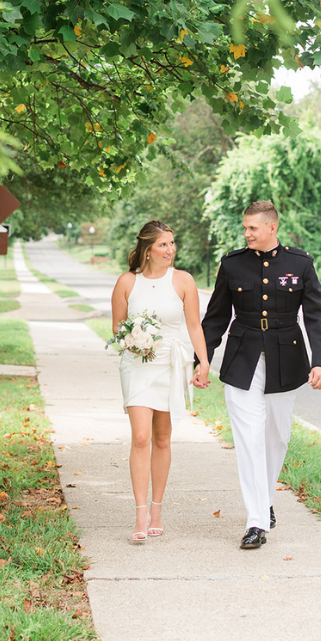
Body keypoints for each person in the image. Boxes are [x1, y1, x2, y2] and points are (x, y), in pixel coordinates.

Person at [198, 200, 321, 549]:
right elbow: (215, 317)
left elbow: (317, 315)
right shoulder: (232, 263)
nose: (247, 234)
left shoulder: (299, 263)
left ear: (271, 228)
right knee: (249, 439)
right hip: (242, 358)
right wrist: (202, 359)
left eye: (252, 228)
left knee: (276, 437)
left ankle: (265, 498)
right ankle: (256, 520)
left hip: (285, 358)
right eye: (245, 228)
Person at [110, 220, 211, 544]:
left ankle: (157, 509)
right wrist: (134, 341)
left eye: (172, 243)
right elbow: (117, 329)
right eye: (164, 245)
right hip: (137, 364)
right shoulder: (127, 282)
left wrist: (203, 362)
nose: (171, 250)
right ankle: (140, 511)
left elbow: (195, 326)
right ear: (148, 249)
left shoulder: (182, 280)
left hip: (170, 363)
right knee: (140, 437)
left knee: (162, 438)